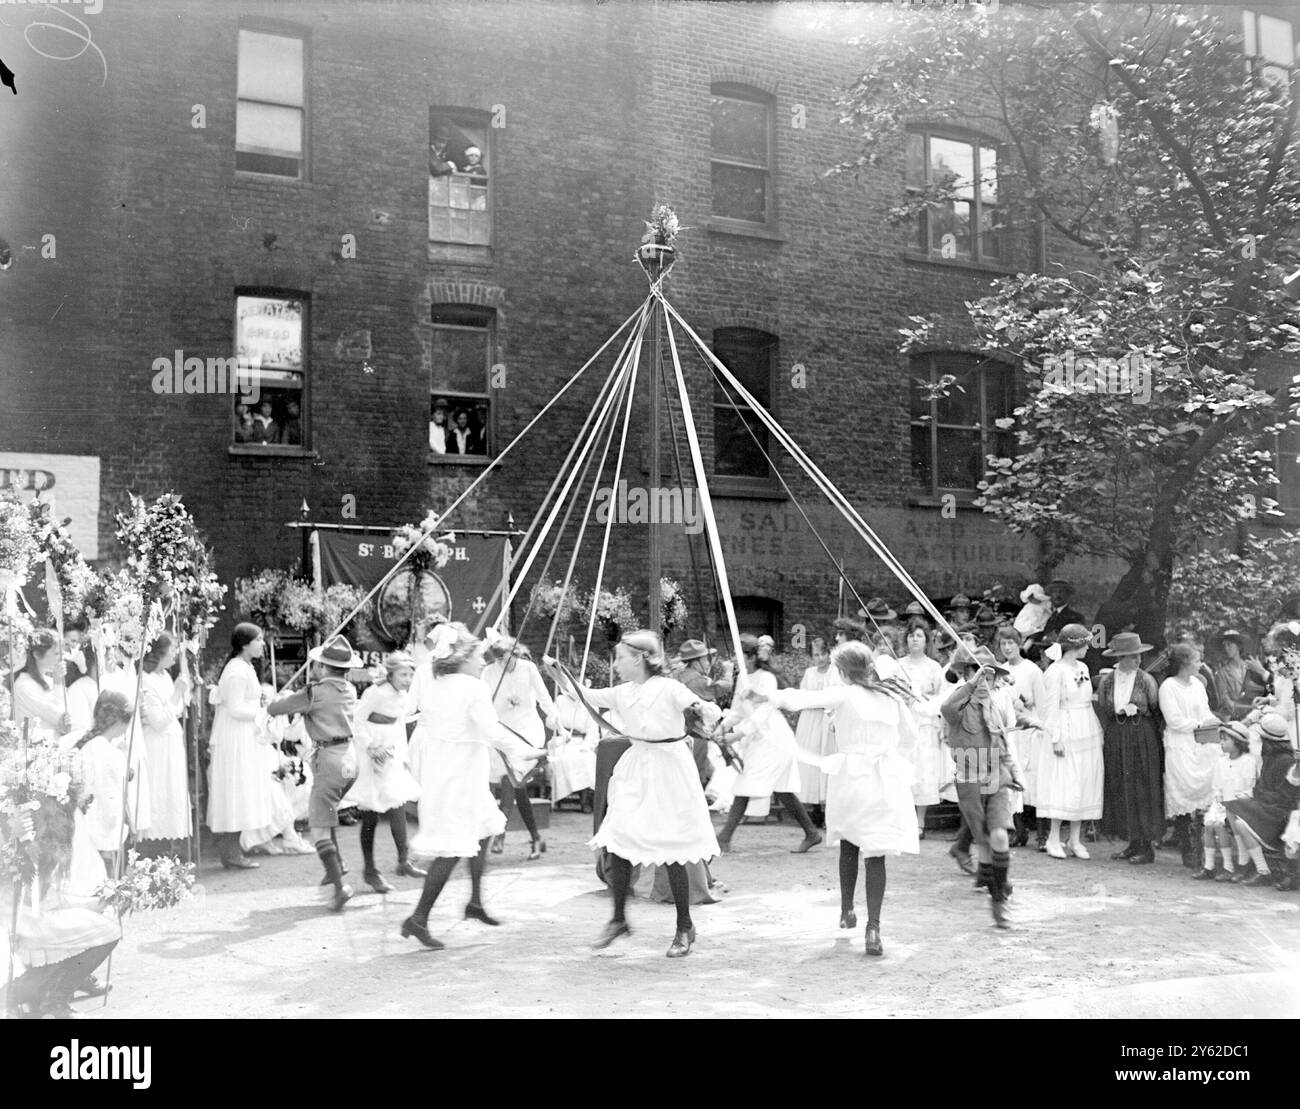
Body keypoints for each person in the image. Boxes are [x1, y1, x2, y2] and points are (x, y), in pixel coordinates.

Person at [550, 630, 722, 958]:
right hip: (636, 768)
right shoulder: (622, 692)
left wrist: (705, 710)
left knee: (671, 849)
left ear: (640, 658)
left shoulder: (669, 688)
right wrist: (561, 677)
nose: (615, 664)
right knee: (618, 839)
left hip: (669, 771)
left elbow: (694, 704)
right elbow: (585, 695)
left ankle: (684, 925)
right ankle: (618, 920)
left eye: (620, 658)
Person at [757, 643, 919, 957]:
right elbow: (910, 738)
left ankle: (847, 911)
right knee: (877, 851)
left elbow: (804, 699)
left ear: (843, 672)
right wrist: (890, 756)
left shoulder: (844, 694)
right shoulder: (892, 697)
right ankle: (874, 926)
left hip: (852, 777)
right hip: (885, 779)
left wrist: (771, 697)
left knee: (849, 842)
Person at [401, 624, 543, 950]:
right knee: (454, 847)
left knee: (481, 829)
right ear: (462, 657)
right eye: (478, 656)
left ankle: (475, 902)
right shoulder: (472, 686)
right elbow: (491, 730)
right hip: (460, 774)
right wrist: (526, 751)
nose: (483, 662)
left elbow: (413, 714)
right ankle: (418, 918)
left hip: (446, 769)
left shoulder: (435, 683)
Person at [266, 635, 364, 911]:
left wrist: (281, 698)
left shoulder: (315, 692)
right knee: (328, 812)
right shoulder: (349, 690)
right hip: (350, 760)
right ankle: (337, 865)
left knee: (318, 826)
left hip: (328, 761)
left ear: (322, 667)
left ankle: (339, 886)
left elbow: (276, 709)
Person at [941, 648, 1026, 928]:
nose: (988, 684)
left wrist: (1014, 772)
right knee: (986, 842)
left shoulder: (995, 705)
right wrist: (971, 683)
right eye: (983, 677)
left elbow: (1002, 743)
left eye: (992, 679)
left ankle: (998, 898)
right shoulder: (958, 708)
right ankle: (992, 883)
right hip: (969, 774)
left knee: (1000, 837)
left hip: (996, 774)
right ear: (968, 674)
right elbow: (946, 709)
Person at [715, 634, 822, 854]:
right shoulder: (742, 679)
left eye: (741, 656)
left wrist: (737, 735)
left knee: (746, 784)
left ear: (752, 657)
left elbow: (763, 712)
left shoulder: (767, 678)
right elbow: (738, 709)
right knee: (782, 789)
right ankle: (811, 833)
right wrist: (723, 727)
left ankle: (724, 838)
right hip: (758, 740)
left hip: (774, 740)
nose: (737, 661)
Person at [343, 652, 424, 893]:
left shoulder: (403, 696)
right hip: (373, 752)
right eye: (403, 674)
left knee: (397, 801)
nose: (408, 679)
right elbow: (357, 722)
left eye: (411, 674)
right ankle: (370, 870)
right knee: (372, 811)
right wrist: (370, 747)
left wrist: (404, 756)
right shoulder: (375, 693)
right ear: (390, 674)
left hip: (392, 751)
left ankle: (404, 860)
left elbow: (399, 725)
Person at [206, 623, 278, 871]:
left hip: (243, 736)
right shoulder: (236, 670)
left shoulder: (245, 667)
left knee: (241, 788)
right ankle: (230, 851)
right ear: (245, 644)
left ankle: (232, 849)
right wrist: (262, 711)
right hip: (234, 737)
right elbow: (235, 708)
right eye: (258, 640)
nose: (262, 645)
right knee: (236, 788)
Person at [1036, 624, 1104, 859]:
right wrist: (1055, 738)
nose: (1087, 648)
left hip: (1086, 725)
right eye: (1085, 643)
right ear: (1075, 645)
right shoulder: (1055, 671)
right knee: (1064, 782)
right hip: (1066, 728)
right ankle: (1053, 838)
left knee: (1084, 780)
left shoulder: (1083, 667)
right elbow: (1050, 707)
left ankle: (1075, 839)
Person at [1094, 632, 1163, 865]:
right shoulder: (1108, 681)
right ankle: (1132, 841)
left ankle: (1146, 845)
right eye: (1133, 656)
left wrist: (1137, 712)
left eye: (1138, 656)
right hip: (1117, 734)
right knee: (1122, 786)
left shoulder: (1146, 680)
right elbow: (1104, 707)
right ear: (1121, 658)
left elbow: (1154, 707)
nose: (1138, 660)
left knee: (1142, 786)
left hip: (1141, 734)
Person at [483, 637, 553, 860]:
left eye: (505, 659)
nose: (502, 665)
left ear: (515, 652)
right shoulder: (489, 672)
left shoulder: (528, 668)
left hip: (527, 731)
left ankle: (501, 834)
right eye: (498, 661)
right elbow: (483, 702)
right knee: (517, 787)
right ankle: (536, 838)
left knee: (511, 781)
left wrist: (555, 718)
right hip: (503, 732)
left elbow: (543, 697)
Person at [1158, 642, 1222, 868]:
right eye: (1196, 660)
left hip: (1201, 741)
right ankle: (1187, 847)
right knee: (1184, 792)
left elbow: (1205, 710)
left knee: (1208, 787)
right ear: (1184, 663)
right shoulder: (1168, 686)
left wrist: (1211, 721)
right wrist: (1200, 724)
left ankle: (1203, 848)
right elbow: (1174, 721)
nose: (1200, 664)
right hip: (1180, 743)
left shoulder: (1197, 684)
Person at [61, 690, 134, 871]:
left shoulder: (78, 740)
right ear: (120, 722)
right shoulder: (110, 754)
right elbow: (111, 798)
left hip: (76, 822)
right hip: (100, 829)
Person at [1225, 712, 1300, 886]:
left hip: (1279, 812)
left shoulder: (1285, 761)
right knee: (1232, 809)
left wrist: (1257, 795)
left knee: (1239, 818)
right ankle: (1249, 863)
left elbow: (1285, 796)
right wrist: (1253, 794)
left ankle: (1260, 868)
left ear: (1268, 740)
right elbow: (1262, 786)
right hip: (1267, 805)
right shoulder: (1269, 757)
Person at [136, 633, 192, 849]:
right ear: (159, 652)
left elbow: (176, 711)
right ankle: (152, 848)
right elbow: (158, 721)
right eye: (172, 650)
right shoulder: (146, 679)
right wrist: (177, 693)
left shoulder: (165, 676)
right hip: (157, 744)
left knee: (172, 791)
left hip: (171, 742)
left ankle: (170, 846)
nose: (175, 654)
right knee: (159, 789)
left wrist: (176, 697)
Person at [993, 625, 1043, 847]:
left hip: (1029, 730)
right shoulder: (1001, 670)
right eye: (1003, 644)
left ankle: (1041, 833)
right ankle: (1017, 829)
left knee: (1034, 780)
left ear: (1019, 644)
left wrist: (1029, 704)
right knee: (1012, 778)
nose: (1007, 648)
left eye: (1011, 643)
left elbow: (1041, 702)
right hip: (1011, 732)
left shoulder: (1032, 670)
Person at [1193, 721, 1257, 881]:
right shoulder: (1221, 761)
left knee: (1221, 825)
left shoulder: (1248, 761)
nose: (1221, 743)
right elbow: (1217, 785)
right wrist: (1219, 797)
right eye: (1220, 739)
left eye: (1225, 740)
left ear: (1237, 742)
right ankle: (1209, 866)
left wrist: (1232, 801)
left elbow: (1248, 787)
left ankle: (1229, 866)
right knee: (1209, 825)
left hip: (1240, 805)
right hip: (1222, 803)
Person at [899, 621, 944, 838]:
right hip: (904, 722)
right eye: (911, 635)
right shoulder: (898, 666)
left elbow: (942, 697)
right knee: (904, 768)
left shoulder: (934, 667)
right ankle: (903, 819)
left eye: (919, 635)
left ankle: (920, 821)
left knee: (923, 769)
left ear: (926, 640)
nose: (914, 639)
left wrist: (924, 699)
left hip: (925, 722)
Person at [673, 638, 733, 789]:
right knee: (696, 777)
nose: (708, 662)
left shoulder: (682, 676)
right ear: (695, 662)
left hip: (684, 732)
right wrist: (728, 672)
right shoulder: (694, 680)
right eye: (705, 659)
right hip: (694, 733)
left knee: (703, 771)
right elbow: (722, 688)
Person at [793, 637, 836, 828]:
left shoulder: (834, 672)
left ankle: (828, 810)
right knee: (810, 762)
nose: (819, 658)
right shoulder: (810, 673)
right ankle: (814, 808)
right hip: (810, 719)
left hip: (826, 720)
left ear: (829, 654)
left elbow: (834, 696)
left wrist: (821, 701)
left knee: (826, 760)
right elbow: (803, 695)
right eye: (815, 655)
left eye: (822, 654)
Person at [12, 628, 72, 741]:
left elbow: (68, 723)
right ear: (37, 655)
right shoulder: (24, 686)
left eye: (61, 653)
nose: (61, 658)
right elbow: (60, 717)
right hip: (35, 751)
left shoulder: (49, 681)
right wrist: (58, 683)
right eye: (56, 653)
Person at [1211, 629, 1271, 722]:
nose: (1226, 648)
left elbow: (1264, 690)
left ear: (1238, 646)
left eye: (1229, 644)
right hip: (1235, 718)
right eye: (1224, 645)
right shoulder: (1221, 673)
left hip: (1257, 716)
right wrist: (1249, 709)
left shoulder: (1250, 667)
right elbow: (1226, 702)